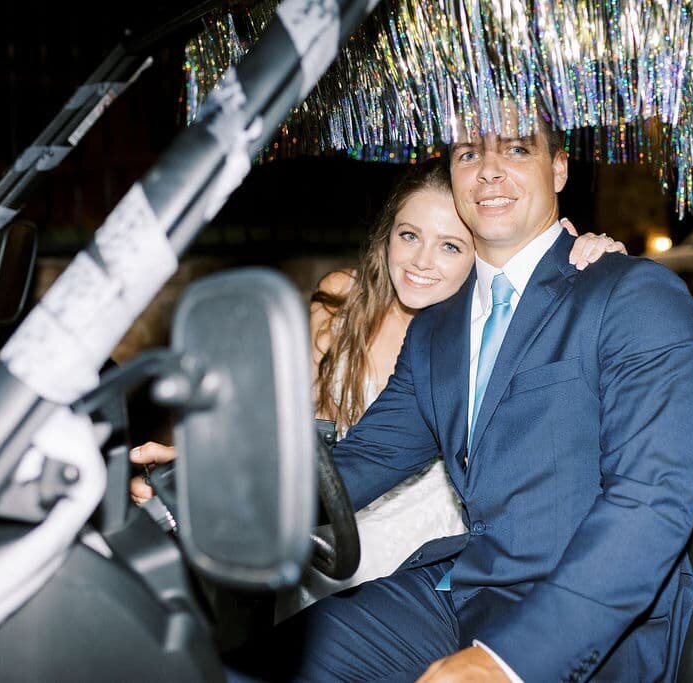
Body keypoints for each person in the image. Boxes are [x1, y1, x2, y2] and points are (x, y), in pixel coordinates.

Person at [242, 118, 693, 682]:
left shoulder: (633, 293)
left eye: (515, 149)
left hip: (585, 622)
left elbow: (651, 503)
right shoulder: (437, 330)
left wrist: (507, 663)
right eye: (469, 153)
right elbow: (359, 463)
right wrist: (206, 488)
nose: (488, 170)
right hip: (456, 593)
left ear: (558, 168)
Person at [130, 160, 625, 612]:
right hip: (325, 536)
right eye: (409, 235)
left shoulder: (488, 337)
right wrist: (203, 479)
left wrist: (586, 260)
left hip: (426, 562)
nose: (421, 261)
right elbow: (278, 431)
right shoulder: (339, 303)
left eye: (450, 246)